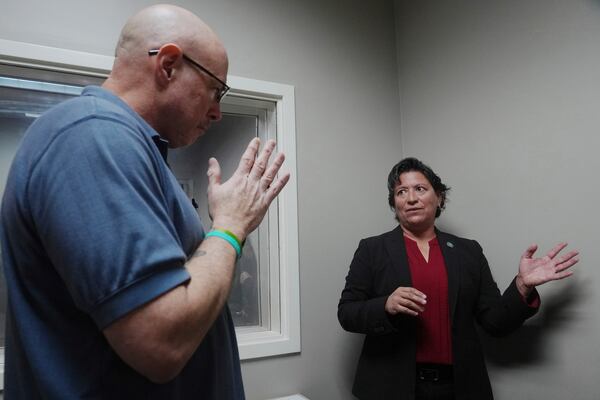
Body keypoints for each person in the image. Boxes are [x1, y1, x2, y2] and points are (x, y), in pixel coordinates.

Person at [0, 4, 289, 399]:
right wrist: (231, 227)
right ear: (169, 64)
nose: (219, 112)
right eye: (215, 90)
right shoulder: (92, 137)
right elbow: (161, 343)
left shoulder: (136, 150)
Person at [337, 157, 578, 400]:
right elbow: (347, 313)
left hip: (460, 387)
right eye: (401, 192)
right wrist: (386, 305)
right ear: (394, 202)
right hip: (391, 387)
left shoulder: (468, 251)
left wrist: (522, 286)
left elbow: (495, 321)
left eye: (420, 189)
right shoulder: (372, 249)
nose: (411, 198)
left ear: (439, 197)